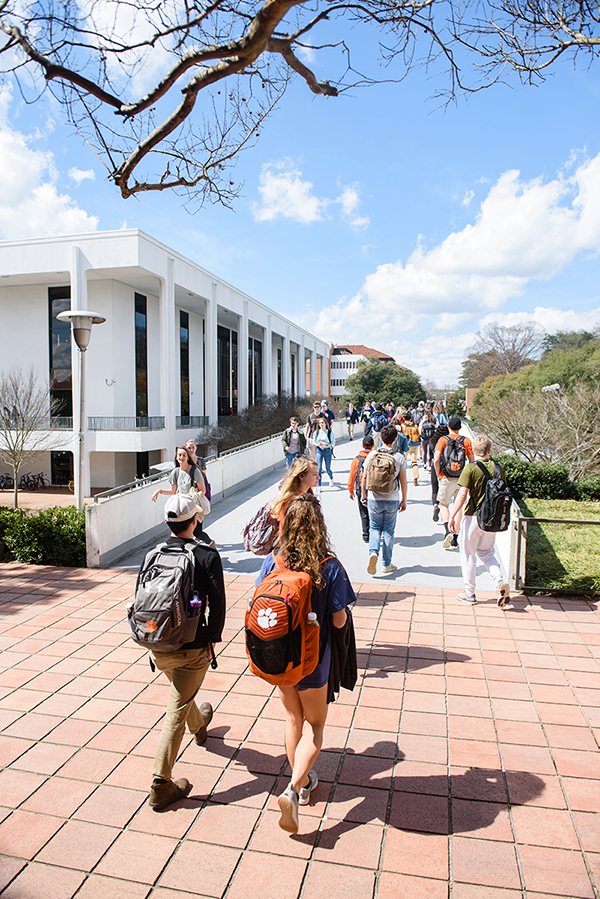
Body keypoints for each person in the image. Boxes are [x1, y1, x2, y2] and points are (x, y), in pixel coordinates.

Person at [255, 494, 356, 833]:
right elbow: (340, 621)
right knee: (314, 727)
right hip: (314, 662)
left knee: (291, 718)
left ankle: (302, 777)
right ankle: (293, 789)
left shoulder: (274, 560)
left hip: (281, 658)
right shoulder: (328, 566)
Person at [146, 494, 226, 809]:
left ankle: (200, 726)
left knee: (183, 693)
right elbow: (217, 604)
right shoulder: (206, 555)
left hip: (156, 644)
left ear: (167, 522)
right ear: (195, 521)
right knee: (175, 710)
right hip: (192, 648)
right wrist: (213, 639)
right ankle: (161, 783)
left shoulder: (152, 553)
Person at [448, 435, 511, 608]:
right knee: (487, 553)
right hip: (492, 519)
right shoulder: (498, 467)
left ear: (474, 451)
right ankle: (499, 582)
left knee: (469, 555)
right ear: (489, 450)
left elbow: (462, 495)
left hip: (473, 517)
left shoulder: (471, 468)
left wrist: (453, 516)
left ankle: (470, 593)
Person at [361, 424, 408, 576]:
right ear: (395, 440)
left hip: (373, 498)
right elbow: (403, 482)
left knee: (374, 528)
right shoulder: (399, 457)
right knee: (388, 530)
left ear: (380, 439)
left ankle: (373, 553)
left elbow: (364, 477)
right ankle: (386, 564)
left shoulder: (372, 455)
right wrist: (404, 500)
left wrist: (363, 494)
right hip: (392, 498)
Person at [152, 446, 210, 543]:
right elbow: (172, 491)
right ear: (176, 457)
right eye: (179, 455)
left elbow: (202, 490)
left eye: (184, 455)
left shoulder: (194, 471)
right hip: (181, 507)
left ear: (188, 457)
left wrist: (190, 499)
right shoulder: (176, 472)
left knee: (197, 533)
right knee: (182, 533)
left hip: (193, 505)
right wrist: (159, 491)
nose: (181, 457)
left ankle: (212, 546)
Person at [433, 417, 474, 550]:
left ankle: (447, 531)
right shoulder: (466, 441)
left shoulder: (443, 440)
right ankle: (455, 540)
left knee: (444, 505)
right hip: (462, 479)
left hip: (446, 476)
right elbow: (472, 462)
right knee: (459, 507)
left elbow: (436, 459)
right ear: (460, 428)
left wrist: (439, 474)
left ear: (449, 427)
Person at [271, 456, 319, 525]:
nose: (318, 477)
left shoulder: (302, 495)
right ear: (301, 476)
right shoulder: (295, 501)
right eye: (314, 474)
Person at [348, 434, 374, 543]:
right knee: (373, 511)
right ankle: (374, 532)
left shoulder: (356, 459)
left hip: (360, 487)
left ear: (362, 445)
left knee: (363, 512)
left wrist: (350, 490)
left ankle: (365, 535)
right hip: (373, 488)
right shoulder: (374, 457)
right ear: (373, 446)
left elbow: (352, 476)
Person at [313, 416, 336, 487]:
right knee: (319, 468)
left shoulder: (329, 432)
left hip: (327, 451)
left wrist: (325, 444)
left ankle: (331, 478)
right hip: (319, 450)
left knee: (327, 468)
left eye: (322, 423)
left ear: (325, 423)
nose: (321, 424)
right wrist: (317, 444)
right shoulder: (316, 432)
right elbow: (314, 441)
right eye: (320, 423)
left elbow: (332, 443)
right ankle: (319, 486)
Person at [402, 413, 421, 487]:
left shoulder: (403, 425)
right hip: (414, 444)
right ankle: (415, 478)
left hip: (406, 445)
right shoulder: (415, 425)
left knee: (403, 462)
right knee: (414, 462)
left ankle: (402, 478)